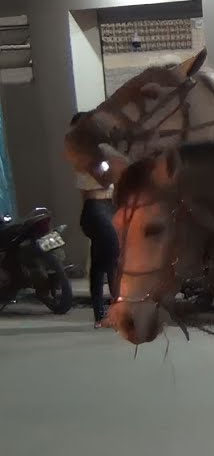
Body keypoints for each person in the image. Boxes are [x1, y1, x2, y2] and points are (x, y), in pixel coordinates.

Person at [71, 112, 120, 329]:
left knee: (104, 263)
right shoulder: (84, 157)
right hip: (96, 210)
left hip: (108, 208)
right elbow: (98, 184)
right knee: (109, 261)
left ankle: (105, 314)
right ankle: (105, 314)